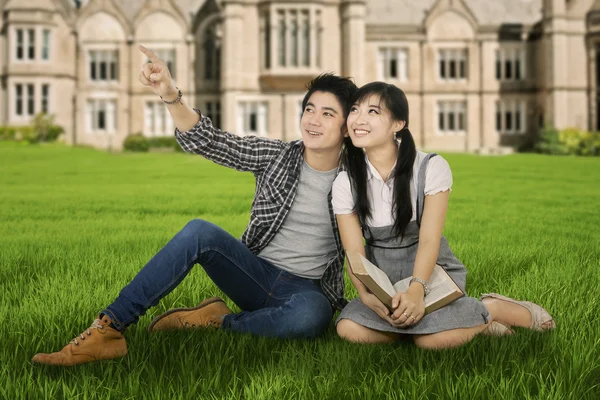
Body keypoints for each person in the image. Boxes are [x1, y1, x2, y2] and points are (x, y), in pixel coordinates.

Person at [31, 45, 357, 366]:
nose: (313, 121)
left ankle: (217, 320)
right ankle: (110, 328)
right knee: (199, 231)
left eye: (327, 114)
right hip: (254, 274)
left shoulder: (358, 180)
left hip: (306, 290)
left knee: (312, 319)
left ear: (346, 127)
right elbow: (210, 141)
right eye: (309, 110)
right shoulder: (277, 156)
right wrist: (170, 94)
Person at [332, 82, 555, 348]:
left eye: (373, 112)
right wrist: (364, 294)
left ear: (398, 124)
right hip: (384, 282)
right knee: (348, 329)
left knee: (432, 343)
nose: (358, 119)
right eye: (355, 110)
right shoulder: (346, 181)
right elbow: (355, 254)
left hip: (431, 272)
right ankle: (446, 323)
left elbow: (429, 240)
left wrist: (416, 290)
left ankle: (491, 309)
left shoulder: (429, 167)